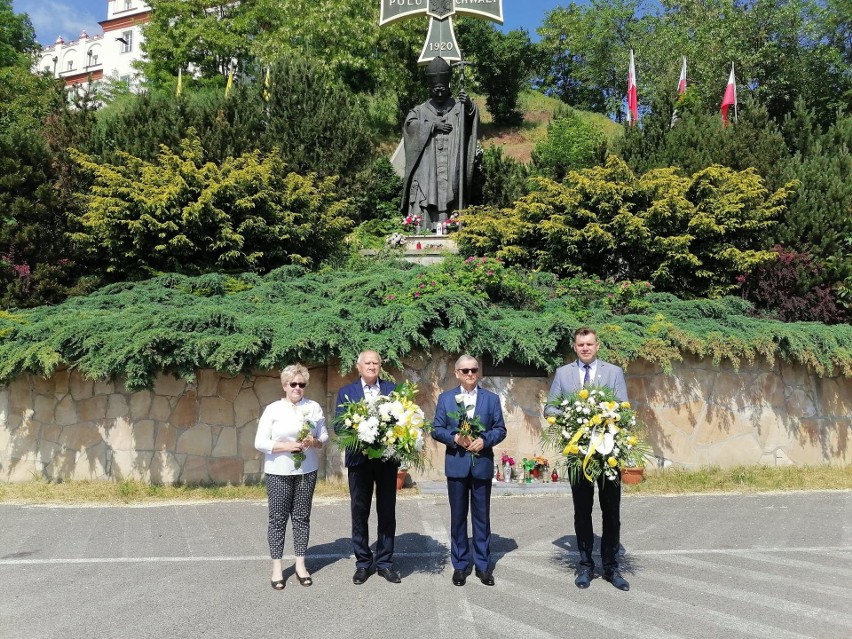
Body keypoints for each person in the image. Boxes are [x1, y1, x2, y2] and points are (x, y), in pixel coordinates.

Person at [544, 327, 631, 592]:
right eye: (580, 344)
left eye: (589, 344)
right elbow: (550, 407)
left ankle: (611, 567)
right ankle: (585, 566)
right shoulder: (563, 373)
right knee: (582, 512)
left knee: (611, 512)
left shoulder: (614, 372)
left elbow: (623, 407)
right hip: (577, 453)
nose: (585, 348)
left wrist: (606, 415)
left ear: (597, 346)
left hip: (607, 454)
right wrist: (570, 414)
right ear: (574, 347)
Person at [432, 355, 507, 586]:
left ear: (479, 372)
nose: (470, 374)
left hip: (481, 464)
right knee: (458, 518)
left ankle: (483, 566)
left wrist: (485, 441)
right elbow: (436, 429)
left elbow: (500, 429)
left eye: (474, 369)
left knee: (482, 518)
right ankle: (460, 565)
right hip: (457, 464)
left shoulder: (491, 399)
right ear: (457, 373)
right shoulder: (445, 399)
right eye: (465, 371)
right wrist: (454, 437)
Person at [254, 364, 328, 590]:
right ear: (284, 385)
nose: (297, 388)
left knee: (301, 517)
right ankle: (277, 567)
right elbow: (260, 442)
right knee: (277, 519)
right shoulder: (273, 409)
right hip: (279, 471)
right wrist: (285, 446)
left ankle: (300, 565)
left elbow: (323, 435)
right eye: (293, 384)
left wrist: (314, 442)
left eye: (301, 384)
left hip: (307, 470)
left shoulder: (313, 408)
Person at [334, 350, 401, 585]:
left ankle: (385, 563)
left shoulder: (392, 390)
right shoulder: (346, 392)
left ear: (380, 366)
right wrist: (358, 433)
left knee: (387, 512)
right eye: (368, 363)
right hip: (359, 461)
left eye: (376, 363)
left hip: (386, 460)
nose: (372, 366)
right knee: (359, 512)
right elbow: (338, 427)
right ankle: (363, 563)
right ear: (359, 367)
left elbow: (402, 420)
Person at [402, 56, 479, 229]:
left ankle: (451, 225)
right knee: (427, 190)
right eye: (435, 89)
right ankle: (423, 225)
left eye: (442, 89)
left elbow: (471, 120)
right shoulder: (420, 110)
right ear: (429, 87)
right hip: (428, 165)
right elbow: (409, 125)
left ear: (448, 86)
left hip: (450, 161)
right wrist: (431, 126)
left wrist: (468, 105)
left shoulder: (458, 107)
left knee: (449, 189)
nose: (439, 92)